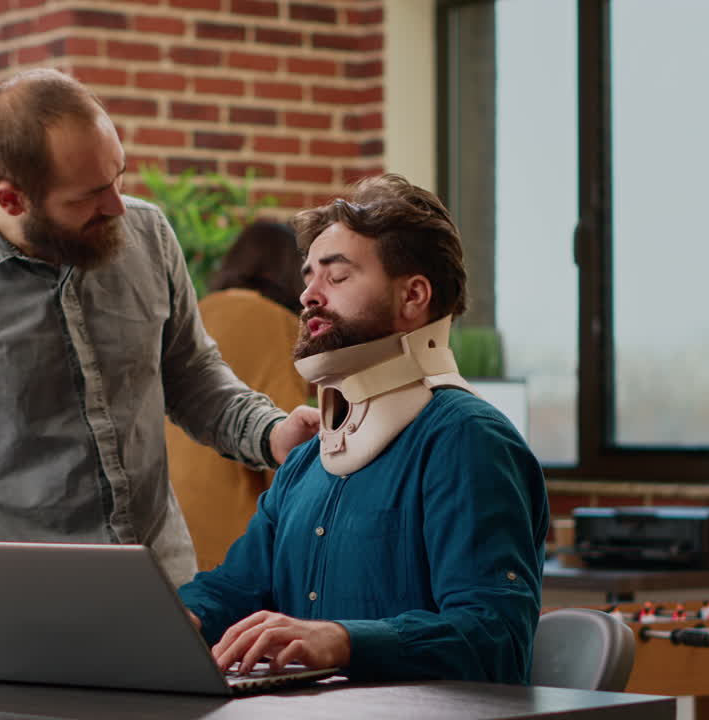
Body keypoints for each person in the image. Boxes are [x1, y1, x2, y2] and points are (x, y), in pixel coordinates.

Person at [0, 69, 319, 594]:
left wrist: (271, 434)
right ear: (11, 200)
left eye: (119, 177)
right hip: (15, 595)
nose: (118, 206)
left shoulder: (148, 235)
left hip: (164, 581)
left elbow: (192, 377)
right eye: (89, 196)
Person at [178, 174, 549, 684]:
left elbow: (495, 636)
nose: (308, 294)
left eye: (337, 276)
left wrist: (340, 640)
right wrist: (168, 621)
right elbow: (234, 588)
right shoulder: (308, 458)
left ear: (413, 296)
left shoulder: (469, 441)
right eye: (308, 276)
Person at [166, 220, 311, 571]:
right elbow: (290, 455)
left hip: (168, 533)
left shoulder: (196, 312)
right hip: (230, 545)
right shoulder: (280, 326)